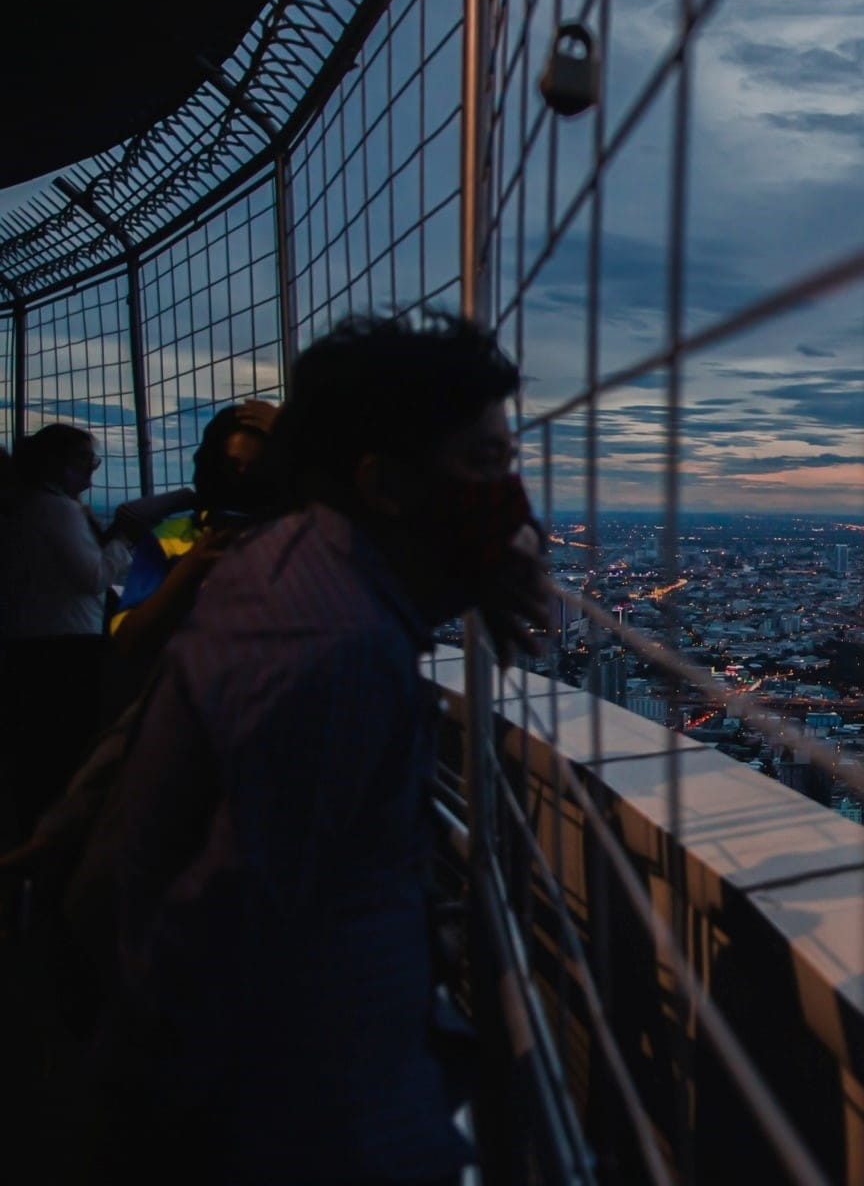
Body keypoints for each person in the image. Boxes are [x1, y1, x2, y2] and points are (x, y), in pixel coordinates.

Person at [99, 312, 542, 1185]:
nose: (512, 492)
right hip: (303, 1117)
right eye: (485, 462)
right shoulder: (334, 653)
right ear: (384, 484)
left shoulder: (290, 564)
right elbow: (228, 927)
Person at [0, 424, 138, 843]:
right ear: (55, 464)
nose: (91, 471)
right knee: (63, 760)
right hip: (64, 649)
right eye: (84, 461)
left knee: (37, 763)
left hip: (32, 645)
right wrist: (125, 540)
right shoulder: (57, 510)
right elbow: (92, 577)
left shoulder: (30, 507)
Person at [106, 400, 280, 706]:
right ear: (212, 466)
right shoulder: (170, 541)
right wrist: (186, 574)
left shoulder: (298, 537)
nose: (241, 478)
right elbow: (127, 640)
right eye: (232, 467)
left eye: (256, 471)